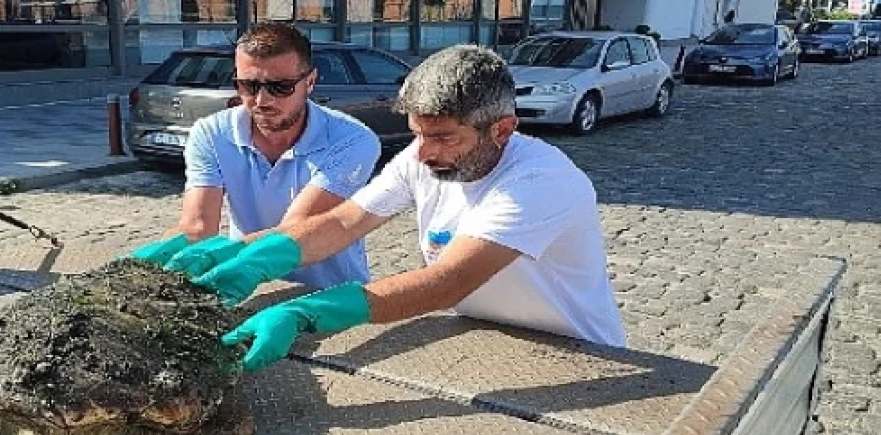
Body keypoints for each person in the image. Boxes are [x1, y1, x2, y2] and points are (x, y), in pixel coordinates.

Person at [139, 44, 627, 373]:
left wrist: (311, 312)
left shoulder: (541, 182)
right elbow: (343, 222)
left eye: (443, 138)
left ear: (500, 130)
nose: (424, 151)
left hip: (578, 351)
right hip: (479, 336)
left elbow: (448, 282)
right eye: (417, 133)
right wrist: (254, 256)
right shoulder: (421, 158)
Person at [131, 23, 381, 290]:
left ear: (310, 82)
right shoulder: (212, 133)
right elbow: (198, 226)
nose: (262, 100)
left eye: (280, 87)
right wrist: (149, 266)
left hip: (329, 292)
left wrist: (220, 256)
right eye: (248, 86)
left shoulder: (352, 140)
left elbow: (296, 230)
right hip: (245, 283)